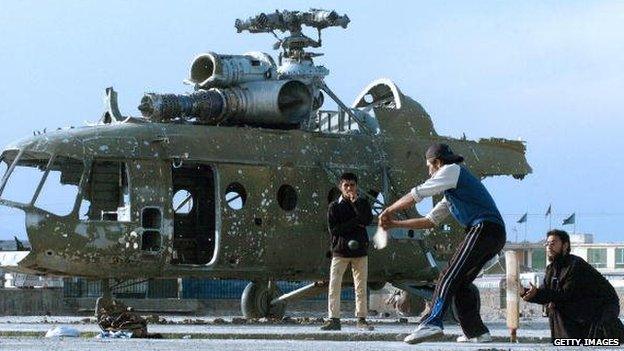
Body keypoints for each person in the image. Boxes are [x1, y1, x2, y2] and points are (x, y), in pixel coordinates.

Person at [380, 143, 505, 344]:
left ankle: (431, 323)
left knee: (448, 275)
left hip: (484, 229)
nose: (429, 171)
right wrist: (394, 223)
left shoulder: (451, 170)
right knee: (461, 283)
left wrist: (389, 210)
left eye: (429, 166)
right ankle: (477, 332)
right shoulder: (453, 191)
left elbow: (416, 195)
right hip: (493, 234)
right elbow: (429, 221)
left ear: (437, 163)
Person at [521, 230, 624, 342]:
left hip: (602, 307)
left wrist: (539, 294)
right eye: (547, 244)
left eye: (553, 243)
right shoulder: (551, 269)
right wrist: (526, 293)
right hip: (579, 307)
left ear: (565, 246)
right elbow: (544, 292)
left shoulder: (575, 265)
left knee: (557, 306)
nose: (549, 247)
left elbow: (566, 295)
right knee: (555, 307)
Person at [321, 172, 374, 331]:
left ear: (356, 186)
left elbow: (367, 220)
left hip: (360, 251)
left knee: (360, 285)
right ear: (340, 187)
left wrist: (356, 204)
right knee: (334, 285)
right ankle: (334, 319)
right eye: (346, 185)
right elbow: (335, 230)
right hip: (340, 251)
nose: (349, 188)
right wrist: (356, 222)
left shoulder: (363, 203)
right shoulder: (334, 206)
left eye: (352, 185)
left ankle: (361, 318)